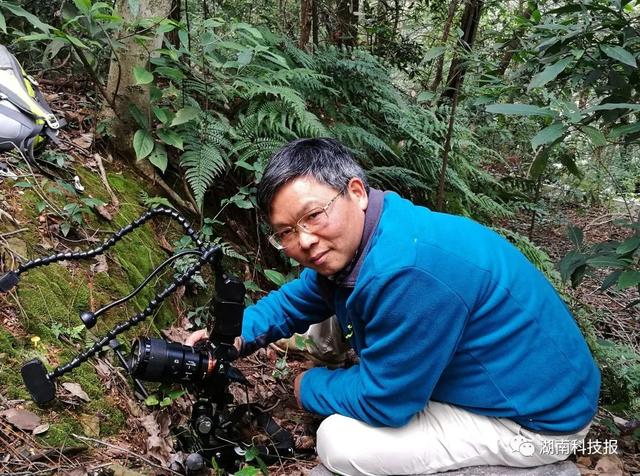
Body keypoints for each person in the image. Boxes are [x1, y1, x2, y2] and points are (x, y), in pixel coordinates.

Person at [187, 137, 600, 476]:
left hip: (539, 420)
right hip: (524, 378)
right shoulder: (373, 231)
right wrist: (236, 333)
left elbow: (385, 403)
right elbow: (302, 298)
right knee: (334, 328)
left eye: (313, 215)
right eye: (287, 232)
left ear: (355, 192)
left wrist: (307, 388)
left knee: (339, 442)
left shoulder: (406, 270)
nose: (305, 240)